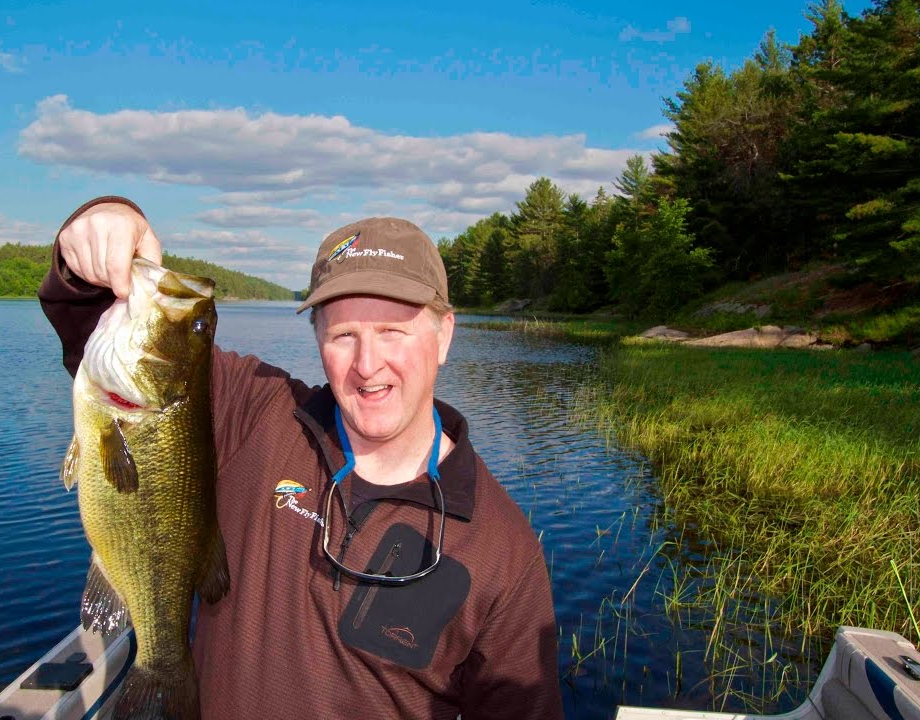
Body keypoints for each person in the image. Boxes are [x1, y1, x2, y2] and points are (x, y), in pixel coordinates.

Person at [39, 196, 564, 720]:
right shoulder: (255, 413)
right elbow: (99, 334)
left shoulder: (503, 554)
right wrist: (108, 223)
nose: (367, 363)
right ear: (317, 338)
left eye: (392, 331)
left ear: (444, 334)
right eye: (343, 335)